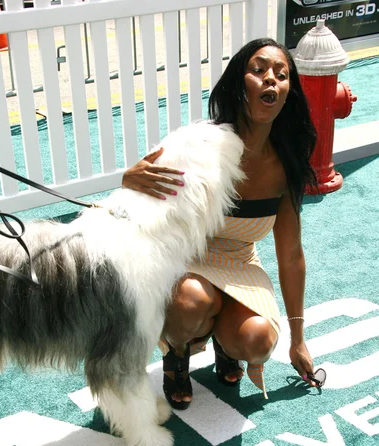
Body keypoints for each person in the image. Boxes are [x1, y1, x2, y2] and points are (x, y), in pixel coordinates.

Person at [122, 37, 319, 410]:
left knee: (258, 342)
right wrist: (128, 181)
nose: (271, 80)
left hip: (240, 261)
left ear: (289, 92)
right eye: (258, 70)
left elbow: (290, 255)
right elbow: (143, 201)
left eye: (281, 74)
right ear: (238, 82)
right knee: (191, 301)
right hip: (189, 258)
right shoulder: (199, 144)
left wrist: (298, 338)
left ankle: (224, 343)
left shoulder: (287, 163)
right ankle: (177, 354)